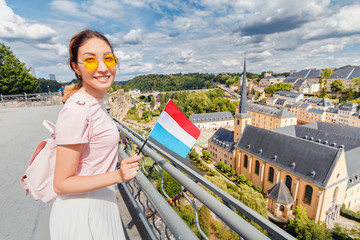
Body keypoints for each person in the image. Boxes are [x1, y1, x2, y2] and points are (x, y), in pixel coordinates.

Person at [50, 29, 142, 239]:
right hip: (83, 215)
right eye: (90, 60)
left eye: (108, 58)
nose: (103, 67)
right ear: (76, 67)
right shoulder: (78, 109)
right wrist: (118, 175)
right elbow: (61, 183)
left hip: (99, 205)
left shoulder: (94, 103)